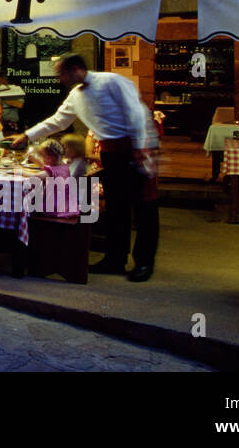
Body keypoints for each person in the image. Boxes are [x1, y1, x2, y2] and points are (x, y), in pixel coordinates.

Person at [9, 53, 158, 282]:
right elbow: (58, 121)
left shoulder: (112, 81)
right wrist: (27, 135)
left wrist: (140, 147)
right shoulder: (75, 96)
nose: (59, 79)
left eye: (62, 73)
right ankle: (115, 259)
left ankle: (144, 263)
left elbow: (136, 113)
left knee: (143, 207)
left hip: (135, 146)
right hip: (110, 151)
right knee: (117, 207)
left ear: (76, 68)